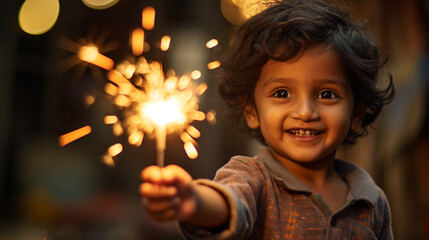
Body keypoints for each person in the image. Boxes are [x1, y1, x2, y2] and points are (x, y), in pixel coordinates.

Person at [140, 0, 395, 239]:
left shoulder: (372, 199)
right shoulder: (251, 178)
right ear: (252, 111)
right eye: (282, 93)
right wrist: (194, 201)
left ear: (357, 114)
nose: (305, 112)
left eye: (327, 94)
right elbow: (229, 205)